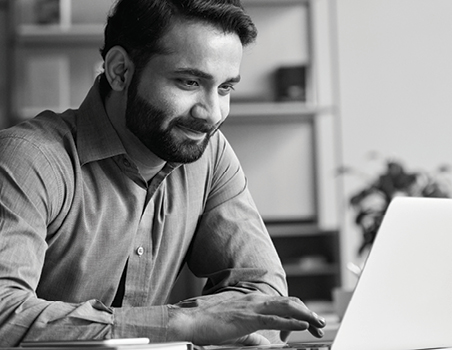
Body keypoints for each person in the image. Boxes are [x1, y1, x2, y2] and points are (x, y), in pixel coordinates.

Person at [0, 0, 325, 346]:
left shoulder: (209, 154)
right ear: (120, 71)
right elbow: (5, 315)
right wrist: (180, 323)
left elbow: (261, 289)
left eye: (226, 88)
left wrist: (231, 331)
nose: (212, 113)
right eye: (188, 82)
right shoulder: (28, 159)